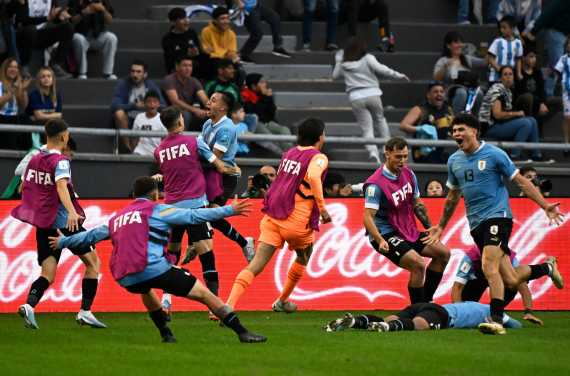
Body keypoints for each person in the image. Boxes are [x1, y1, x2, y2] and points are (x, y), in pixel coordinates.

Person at [47, 176, 266, 344]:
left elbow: (90, 236)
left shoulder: (117, 217)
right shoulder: (158, 210)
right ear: (155, 195)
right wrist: (230, 210)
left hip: (124, 277)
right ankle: (242, 332)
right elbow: (194, 216)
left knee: (146, 290)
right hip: (153, 268)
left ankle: (166, 334)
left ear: (135, 195)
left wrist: (63, 242)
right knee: (204, 294)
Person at [422, 113, 564, 334]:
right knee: (511, 278)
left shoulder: (494, 154)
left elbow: (522, 182)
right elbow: (452, 197)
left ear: (474, 131)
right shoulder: (454, 161)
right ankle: (547, 267)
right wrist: (441, 225)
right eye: (454, 131)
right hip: (476, 224)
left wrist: (544, 205)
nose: (456, 134)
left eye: (461, 129)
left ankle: (496, 319)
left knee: (488, 264)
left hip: (498, 217)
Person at [226, 118, 331, 313]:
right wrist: (323, 209)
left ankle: (229, 305)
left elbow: (282, 185)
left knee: (256, 265)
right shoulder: (319, 157)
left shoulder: (289, 154)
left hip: (272, 218)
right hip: (297, 221)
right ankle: (282, 301)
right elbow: (315, 177)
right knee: (304, 256)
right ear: (319, 136)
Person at [11, 119, 105, 330]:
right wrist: (72, 212)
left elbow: (23, 187)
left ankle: (29, 305)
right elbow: (62, 187)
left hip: (44, 224)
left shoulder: (35, 159)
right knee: (93, 264)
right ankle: (85, 312)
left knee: (48, 273)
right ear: (64, 137)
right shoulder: (60, 161)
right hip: (65, 222)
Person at [152, 106, 242, 319]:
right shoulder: (195, 141)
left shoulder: (159, 151)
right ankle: (216, 307)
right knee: (207, 256)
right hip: (194, 207)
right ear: (181, 122)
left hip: (171, 209)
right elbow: (218, 165)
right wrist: (234, 170)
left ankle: (166, 300)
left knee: (172, 254)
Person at [363, 137, 450, 304]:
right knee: (418, 264)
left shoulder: (409, 174)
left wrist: (429, 227)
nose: (402, 161)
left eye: (405, 156)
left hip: (407, 230)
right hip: (385, 234)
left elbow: (417, 204)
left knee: (443, 254)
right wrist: (380, 240)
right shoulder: (375, 184)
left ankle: (426, 302)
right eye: (398, 157)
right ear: (387, 154)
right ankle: (417, 309)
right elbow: (367, 218)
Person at [196, 92, 255, 263]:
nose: (207, 102)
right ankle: (199, 241)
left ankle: (244, 242)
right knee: (206, 214)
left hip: (224, 176)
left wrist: (197, 147)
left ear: (222, 108)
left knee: (212, 216)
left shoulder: (227, 129)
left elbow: (214, 158)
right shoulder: (208, 123)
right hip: (209, 173)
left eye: (213, 100)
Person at [333, 37, 409, 164]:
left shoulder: (344, 63)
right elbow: (382, 69)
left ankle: (373, 153)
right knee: (380, 120)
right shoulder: (368, 58)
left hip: (356, 98)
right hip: (373, 94)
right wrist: (398, 75)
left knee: (367, 128)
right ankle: (388, 150)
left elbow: (334, 76)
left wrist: (338, 61)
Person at [451, 244, 562, 326]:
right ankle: (485, 315)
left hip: (501, 280)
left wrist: (528, 311)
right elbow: (457, 287)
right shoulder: (470, 258)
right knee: (466, 303)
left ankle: (495, 314)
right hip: (477, 281)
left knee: (512, 283)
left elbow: (523, 287)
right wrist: (458, 313)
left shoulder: (509, 260)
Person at [323, 302, 522, 333]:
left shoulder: (475, 303)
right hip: (442, 314)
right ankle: (388, 328)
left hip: (427, 305)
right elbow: (515, 324)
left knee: (389, 317)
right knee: (420, 325)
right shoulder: (494, 311)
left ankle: (357, 321)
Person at [478, 65, 542, 161]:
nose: (508, 77)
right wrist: (517, 114)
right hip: (489, 128)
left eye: (510, 74)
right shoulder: (497, 90)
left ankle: (536, 155)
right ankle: (514, 156)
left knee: (532, 120)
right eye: (505, 74)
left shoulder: (507, 90)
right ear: (500, 78)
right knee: (526, 123)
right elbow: (497, 114)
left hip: (499, 124)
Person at [111, 60, 165, 153]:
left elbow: (163, 104)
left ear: (145, 74)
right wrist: (134, 106)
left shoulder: (151, 86)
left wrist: (149, 106)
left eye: (138, 72)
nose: (135, 74)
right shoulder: (123, 84)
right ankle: (128, 148)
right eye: (133, 71)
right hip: (129, 118)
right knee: (119, 113)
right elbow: (114, 105)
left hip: (146, 117)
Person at [9, 0, 74, 78]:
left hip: (40, 35)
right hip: (22, 35)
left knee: (68, 28)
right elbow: (23, 20)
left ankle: (56, 64)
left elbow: (54, 19)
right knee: (30, 29)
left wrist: (60, 16)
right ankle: (24, 66)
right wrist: (46, 18)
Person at [523, 0, 570, 97]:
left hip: (562, 35)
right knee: (558, 65)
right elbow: (548, 13)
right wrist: (534, 30)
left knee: (552, 66)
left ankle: (548, 93)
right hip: (555, 33)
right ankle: (551, 94)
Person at [399, 81, 454, 163]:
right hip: (425, 153)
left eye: (441, 92)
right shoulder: (420, 109)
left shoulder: (449, 110)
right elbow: (403, 126)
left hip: (444, 151)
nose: (439, 94)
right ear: (428, 95)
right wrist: (420, 129)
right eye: (435, 92)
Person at [433, 31, 485, 114]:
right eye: (456, 42)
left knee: (479, 93)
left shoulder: (466, 59)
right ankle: (455, 120)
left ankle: (474, 120)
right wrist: (445, 67)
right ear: (448, 46)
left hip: (469, 88)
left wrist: (489, 53)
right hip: (451, 90)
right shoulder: (443, 60)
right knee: (461, 93)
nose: (460, 45)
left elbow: (485, 62)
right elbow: (436, 78)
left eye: (461, 42)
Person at [241, 72, 293, 155]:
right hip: (256, 124)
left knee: (284, 130)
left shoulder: (264, 95)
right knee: (270, 136)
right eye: (261, 82)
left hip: (267, 122)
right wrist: (265, 97)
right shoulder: (245, 96)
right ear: (253, 86)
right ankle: (283, 156)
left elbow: (271, 113)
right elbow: (257, 114)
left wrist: (269, 98)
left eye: (265, 82)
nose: (265, 84)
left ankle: (290, 154)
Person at [68, 0, 117, 80]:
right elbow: (71, 21)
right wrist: (83, 12)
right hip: (82, 36)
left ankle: (107, 73)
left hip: (98, 36)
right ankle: (82, 72)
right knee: (77, 38)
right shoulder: (75, 2)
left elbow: (110, 21)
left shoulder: (102, 1)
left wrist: (103, 10)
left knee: (112, 38)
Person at [163, 55, 209, 130]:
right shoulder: (169, 80)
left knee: (211, 115)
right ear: (177, 67)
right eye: (184, 65)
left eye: (190, 66)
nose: (188, 69)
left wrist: (212, 110)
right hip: (171, 111)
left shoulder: (194, 81)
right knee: (185, 115)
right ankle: (182, 140)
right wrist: (195, 110)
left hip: (189, 110)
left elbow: (204, 99)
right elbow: (175, 101)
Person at [162, 7, 206, 77]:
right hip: (179, 68)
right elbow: (170, 61)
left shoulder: (192, 32)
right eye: (182, 19)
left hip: (194, 64)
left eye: (187, 18)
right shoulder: (168, 39)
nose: (186, 21)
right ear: (173, 22)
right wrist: (187, 55)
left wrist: (197, 52)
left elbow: (198, 51)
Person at [0, 57, 31, 150]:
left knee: (25, 119)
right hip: (1, 118)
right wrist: (13, 88)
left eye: (16, 67)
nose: (13, 69)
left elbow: (24, 106)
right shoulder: (0, 84)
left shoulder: (18, 85)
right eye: (10, 67)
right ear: (5, 69)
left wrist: (23, 89)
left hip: (14, 118)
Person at [514, 49, 548, 122]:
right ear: (523, 58)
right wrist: (540, 103)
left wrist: (542, 103)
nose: (534, 59)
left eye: (535, 57)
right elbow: (521, 91)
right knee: (529, 98)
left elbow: (541, 89)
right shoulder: (518, 73)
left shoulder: (537, 72)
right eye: (531, 57)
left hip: (537, 104)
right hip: (524, 103)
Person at [487, 15, 523, 83]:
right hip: (496, 78)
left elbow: (518, 59)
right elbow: (490, 58)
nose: (501, 30)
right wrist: (500, 70)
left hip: (510, 79)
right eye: (501, 27)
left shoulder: (518, 43)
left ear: (512, 28)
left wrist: (519, 73)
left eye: (504, 27)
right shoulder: (497, 41)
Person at [131, 91, 166, 156]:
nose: (152, 104)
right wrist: (133, 150)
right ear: (144, 103)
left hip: (156, 154)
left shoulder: (163, 119)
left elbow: (166, 140)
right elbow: (134, 138)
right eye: (149, 101)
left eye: (155, 102)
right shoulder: (139, 117)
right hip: (139, 152)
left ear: (159, 104)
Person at [554, 36, 570, 156]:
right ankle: (566, 144)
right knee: (567, 118)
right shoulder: (563, 59)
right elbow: (557, 72)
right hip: (567, 93)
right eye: (569, 44)